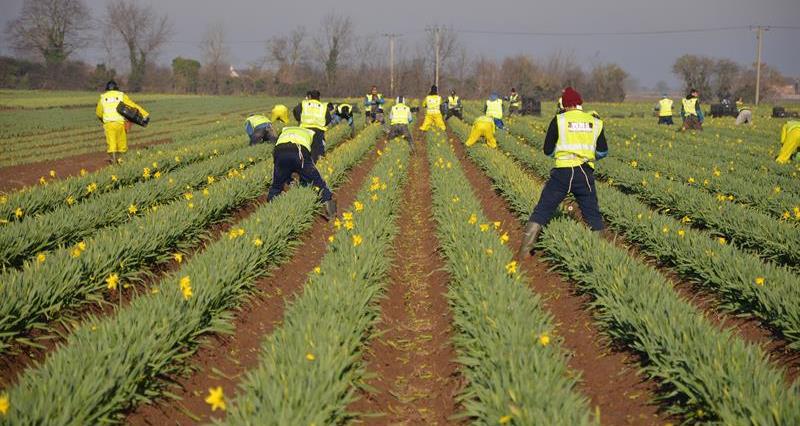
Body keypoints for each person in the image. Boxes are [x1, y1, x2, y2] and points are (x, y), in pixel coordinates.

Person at [518, 87, 608, 258]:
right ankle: (601, 254)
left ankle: (524, 252)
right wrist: (588, 155)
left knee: (543, 209)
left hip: (562, 173)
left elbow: (547, 150)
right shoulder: (595, 122)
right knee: (592, 213)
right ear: (580, 103)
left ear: (565, 105)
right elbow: (603, 152)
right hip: (584, 172)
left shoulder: (559, 120)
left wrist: (561, 153)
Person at [267, 126, 336, 218]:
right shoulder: (310, 134)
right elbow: (312, 156)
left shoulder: (285, 130)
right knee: (318, 182)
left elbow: (278, 155)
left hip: (280, 152)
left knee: (277, 185)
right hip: (299, 150)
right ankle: (331, 213)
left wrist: (287, 177)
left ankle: (271, 213)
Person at [95, 80, 149, 164]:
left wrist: (102, 119)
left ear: (107, 89)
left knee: (111, 142)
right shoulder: (121, 95)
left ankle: (113, 160)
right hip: (120, 123)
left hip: (108, 124)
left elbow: (98, 112)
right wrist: (145, 114)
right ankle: (122, 160)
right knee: (122, 142)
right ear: (116, 88)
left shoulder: (103, 98)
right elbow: (133, 105)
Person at [292, 89, 331, 162]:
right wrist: (323, 124)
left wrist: (299, 119)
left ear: (310, 96)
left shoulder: (304, 104)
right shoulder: (323, 106)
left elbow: (295, 111)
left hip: (305, 129)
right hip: (318, 130)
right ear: (319, 97)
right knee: (317, 149)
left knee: (304, 147)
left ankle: (302, 164)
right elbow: (328, 119)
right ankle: (316, 165)